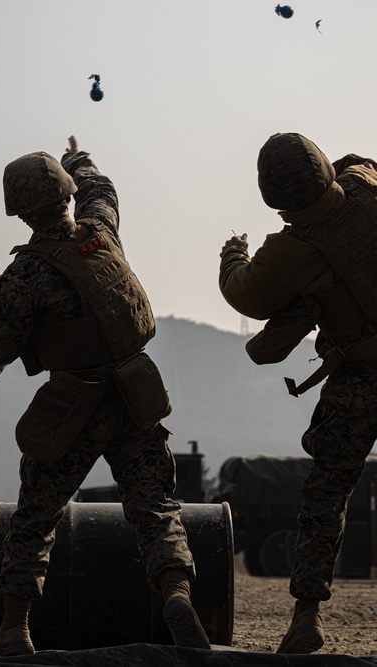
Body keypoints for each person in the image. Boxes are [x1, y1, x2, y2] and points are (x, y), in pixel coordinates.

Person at [0, 136, 211, 655]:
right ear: (68, 195)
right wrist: (79, 160)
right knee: (155, 506)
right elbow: (103, 189)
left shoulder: (24, 275)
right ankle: (176, 593)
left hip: (74, 405)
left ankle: (13, 629)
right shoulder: (102, 232)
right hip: (135, 394)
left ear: (19, 211)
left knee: (37, 514)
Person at [219, 133, 377, 654]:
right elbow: (358, 166)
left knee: (326, 496)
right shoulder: (365, 185)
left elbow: (245, 293)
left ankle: (306, 617)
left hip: (359, 380)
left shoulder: (290, 251)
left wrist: (233, 255)